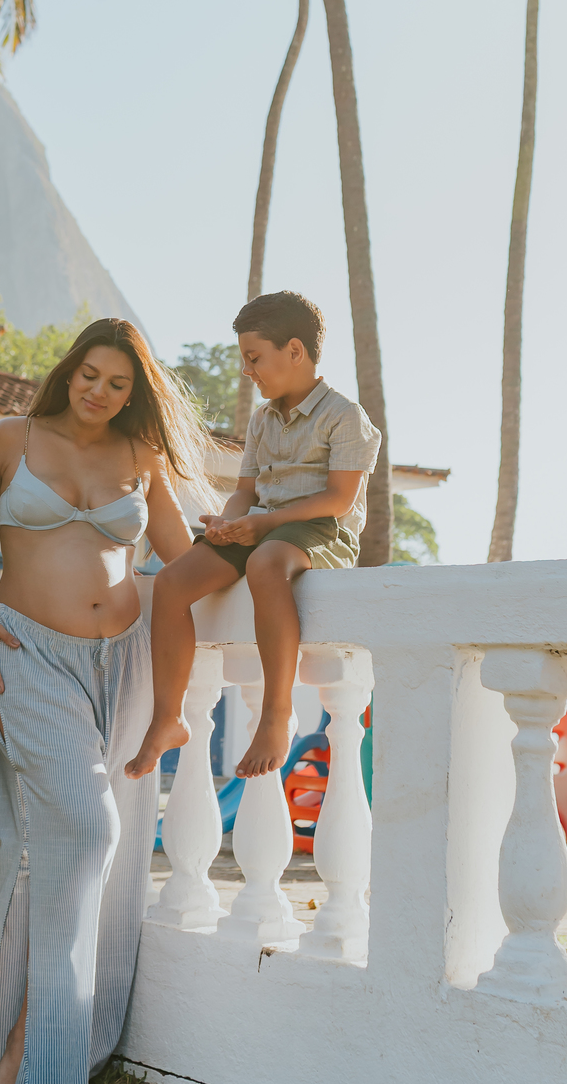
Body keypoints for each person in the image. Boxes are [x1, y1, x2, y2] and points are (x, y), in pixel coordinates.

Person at [0, 319, 207, 1084]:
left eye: (118, 383)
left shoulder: (143, 457)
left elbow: (185, 562)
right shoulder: (12, 439)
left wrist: (267, 538)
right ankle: (30, 1042)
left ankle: (53, 1043)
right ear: (68, 372)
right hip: (27, 652)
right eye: (90, 375)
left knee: (108, 854)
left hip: (124, 663)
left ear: (135, 395)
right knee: (88, 831)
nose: (100, 391)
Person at [126, 290, 381, 783]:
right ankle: (168, 717)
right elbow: (245, 492)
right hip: (262, 525)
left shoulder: (344, 415)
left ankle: (276, 715)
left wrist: (264, 525)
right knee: (172, 581)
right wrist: (226, 523)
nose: (247, 370)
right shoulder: (263, 418)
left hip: (319, 529)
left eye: (254, 357)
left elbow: (339, 499)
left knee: (266, 564)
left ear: (294, 351)